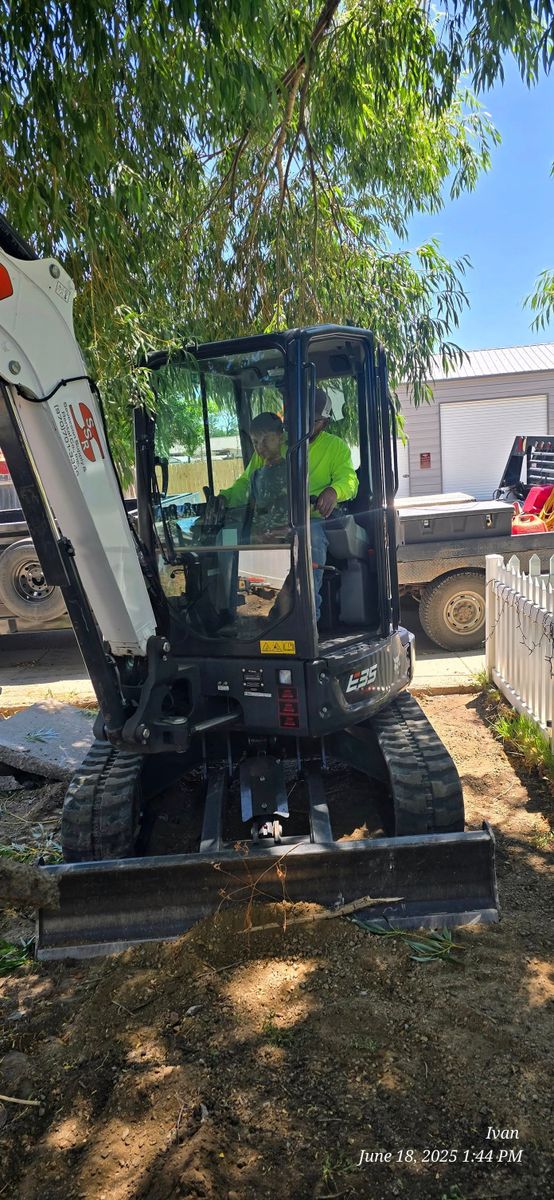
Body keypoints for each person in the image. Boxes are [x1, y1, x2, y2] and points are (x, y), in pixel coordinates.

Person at [221, 391, 358, 618]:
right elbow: (246, 483)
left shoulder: (336, 447)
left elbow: (349, 480)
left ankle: (308, 615)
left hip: (309, 518)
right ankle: (236, 613)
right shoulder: (276, 444)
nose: (302, 425)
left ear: (323, 423)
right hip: (272, 518)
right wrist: (225, 498)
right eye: (297, 418)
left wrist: (334, 491)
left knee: (310, 538)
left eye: (310, 420)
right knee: (229, 536)